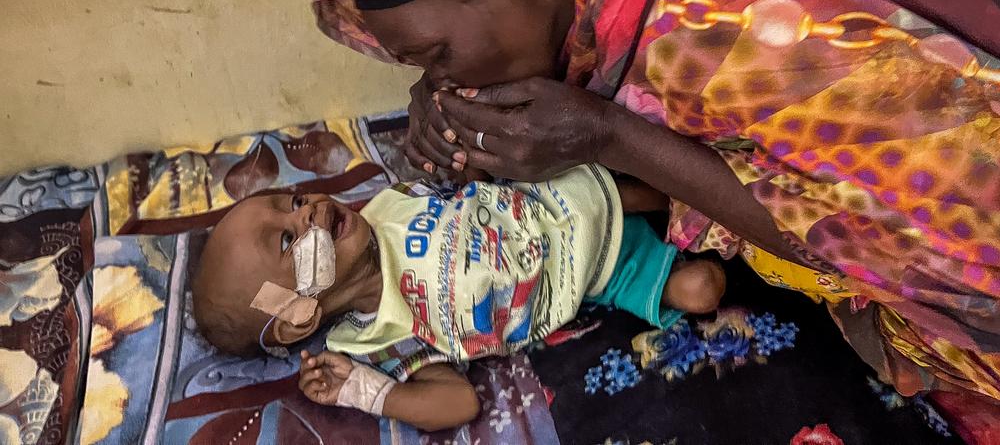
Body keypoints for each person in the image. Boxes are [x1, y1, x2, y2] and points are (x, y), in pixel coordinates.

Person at [312, 0, 1000, 408]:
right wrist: (436, 87)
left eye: (435, 58)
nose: (444, 87)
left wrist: (609, 139)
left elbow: (899, 241)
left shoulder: (713, 11)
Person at [191, 167, 724, 431]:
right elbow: (459, 402)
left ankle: (711, 189)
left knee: (676, 183)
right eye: (286, 240)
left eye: (293, 199)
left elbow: (467, 186)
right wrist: (368, 393)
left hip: (559, 195)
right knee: (701, 290)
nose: (304, 211)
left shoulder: (389, 204)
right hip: (594, 273)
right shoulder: (380, 339)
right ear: (294, 318)